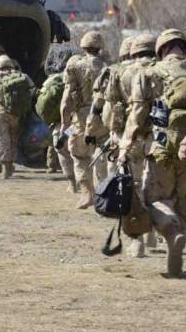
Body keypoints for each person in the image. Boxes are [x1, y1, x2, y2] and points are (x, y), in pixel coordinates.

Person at [119, 28, 186, 275]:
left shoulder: (150, 73)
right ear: (184, 48)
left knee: (154, 200)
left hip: (160, 148)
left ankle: (171, 232)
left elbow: (137, 113)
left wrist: (125, 145)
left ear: (161, 50)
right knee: (185, 203)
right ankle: (178, 241)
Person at [101, 33, 157, 257]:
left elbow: (112, 106)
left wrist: (115, 133)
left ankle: (139, 240)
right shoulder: (163, 69)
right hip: (159, 138)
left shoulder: (120, 72)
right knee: (156, 186)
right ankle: (155, 231)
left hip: (131, 135)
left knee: (134, 187)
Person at [61, 31, 107, 209]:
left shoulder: (74, 66)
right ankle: (103, 192)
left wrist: (65, 125)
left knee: (78, 154)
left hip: (79, 119)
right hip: (102, 117)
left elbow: (66, 100)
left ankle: (87, 193)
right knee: (101, 152)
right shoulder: (107, 68)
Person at [0, 55, 35, 179]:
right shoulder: (22, 77)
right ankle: (10, 166)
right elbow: (32, 91)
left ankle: (5, 168)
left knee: (1, 140)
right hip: (15, 114)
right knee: (13, 140)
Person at [85, 36, 133, 185]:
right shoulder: (154, 70)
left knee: (112, 163)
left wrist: (90, 130)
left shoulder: (112, 71)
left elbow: (98, 104)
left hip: (118, 128)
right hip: (144, 131)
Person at [36, 47, 79, 187]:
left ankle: (72, 182)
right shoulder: (77, 76)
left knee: (62, 150)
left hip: (60, 125)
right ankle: (78, 181)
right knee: (77, 151)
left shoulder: (51, 80)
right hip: (76, 123)